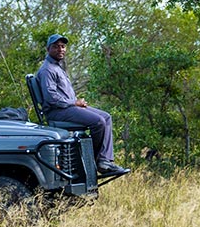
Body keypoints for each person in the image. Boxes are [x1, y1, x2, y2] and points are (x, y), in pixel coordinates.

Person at [34, 34, 130, 178]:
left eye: (63, 46)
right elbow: (51, 98)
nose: (60, 49)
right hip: (57, 112)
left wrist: (76, 103)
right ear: (48, 49)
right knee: (98, 122)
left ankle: (105, 160)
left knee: (106, 117)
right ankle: (92, 161)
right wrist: (74, 103)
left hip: (68, 108)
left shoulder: (57, 67)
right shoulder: (47, 70)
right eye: (56, 46)